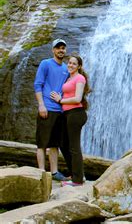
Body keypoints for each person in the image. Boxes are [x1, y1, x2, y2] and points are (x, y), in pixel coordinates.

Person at [34, 38, 70, 181]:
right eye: (58, 48)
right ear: (53, 50)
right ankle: (41, 172)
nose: (61, 50)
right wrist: (41, 104)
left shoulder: (66, 68)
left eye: (63, 48)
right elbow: (38, 85)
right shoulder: (46, 64)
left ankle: (54, 172)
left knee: (55, 144)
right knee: (42, 143)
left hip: (60, 110)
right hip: (47, 108)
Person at [51, 53, 90, 187]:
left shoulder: (80, 78)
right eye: (69, 62)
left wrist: (60, 100)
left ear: (79, 66)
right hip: (67, 114)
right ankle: (76, 174)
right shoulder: (68, 78)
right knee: (63, 144)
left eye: (74, 63)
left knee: (74, 147)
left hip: (76, 114)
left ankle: (77, 180)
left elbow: (78, 98)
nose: (71, 65)